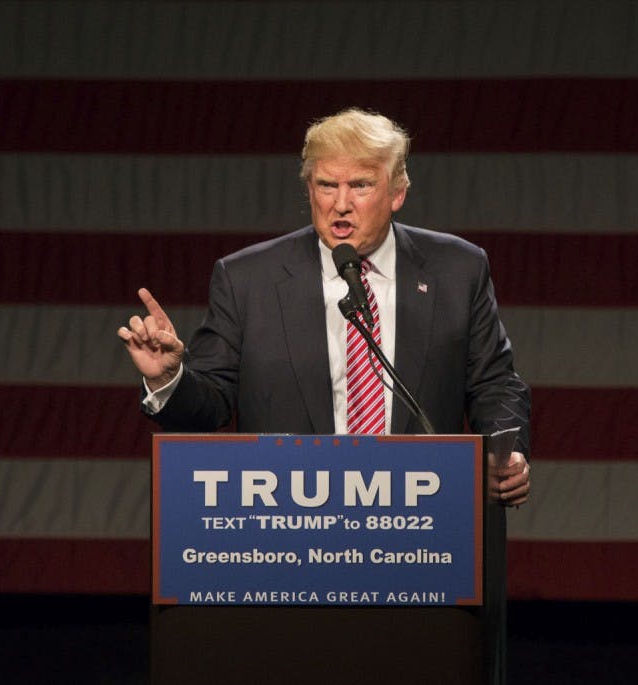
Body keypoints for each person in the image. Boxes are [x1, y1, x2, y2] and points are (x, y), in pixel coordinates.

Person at [117, 107, 530, 506]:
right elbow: (210, 406)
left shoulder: (458, 270)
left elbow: (493, 384)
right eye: (327, 185)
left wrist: (505, 453)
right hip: (294, 524)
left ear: (397, 192)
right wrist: (170, 379)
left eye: (361, 185)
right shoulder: (247, 280)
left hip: (422, 515)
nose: (341, 203)